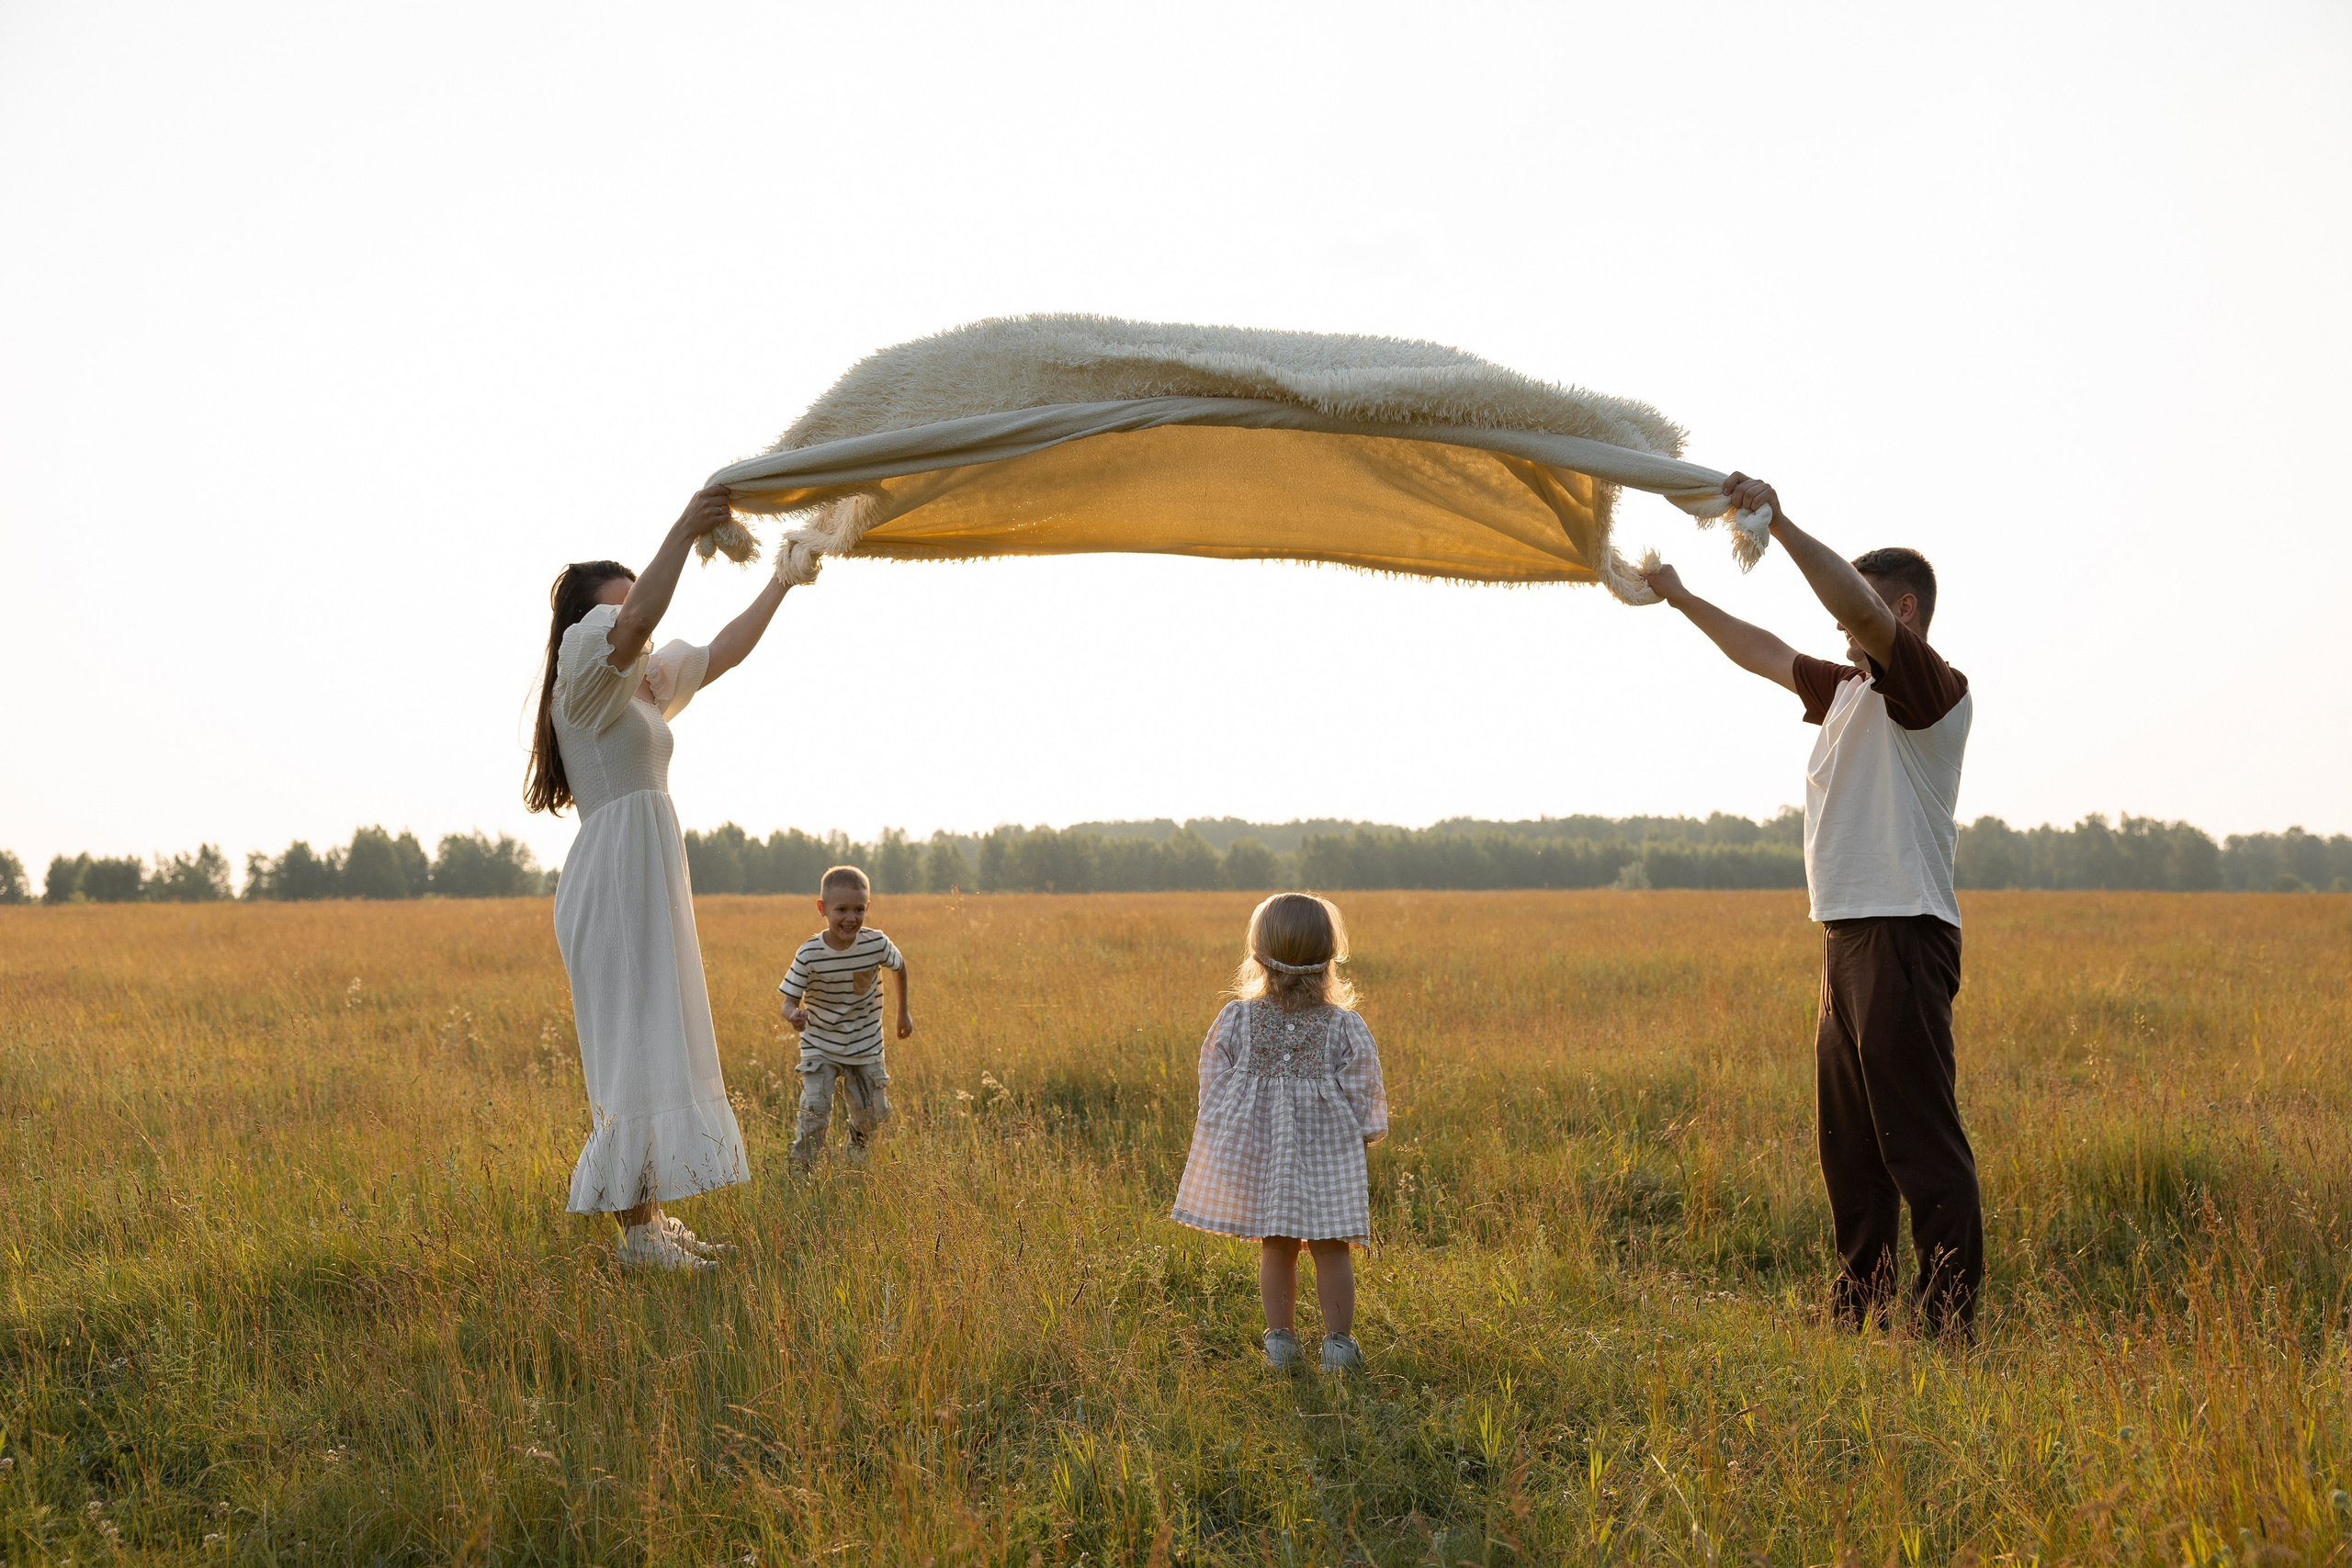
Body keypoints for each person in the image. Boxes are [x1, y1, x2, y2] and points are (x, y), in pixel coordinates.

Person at [1644, 472, 1981, 1337]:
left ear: (1903, 612)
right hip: (1846, 936)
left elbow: (1859, 614)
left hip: (1902, 931)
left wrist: (1780, 524)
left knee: (1920, 1146)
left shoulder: (1929, 691)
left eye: (1860, 611)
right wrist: (1679, 596)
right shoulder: (1849, 693)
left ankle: (1946, 1333)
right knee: (1852, 1147)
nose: (1843, 625)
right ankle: (1860, 1315)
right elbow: (1759, 649)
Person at [526, 483, 796, 1271]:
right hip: (612, 871)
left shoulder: (642, 683)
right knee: (632, 1039)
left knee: (656, 1029)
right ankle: (636, 1233)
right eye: (616, 612)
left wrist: (785, 574)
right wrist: (685, 524)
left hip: (646, 867)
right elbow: (638, 619)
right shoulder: (586, 672)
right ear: (587, 623)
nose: (631, 623)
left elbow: (722, 647)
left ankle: (649, 1218)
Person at [1170, 894, 1388, 1372]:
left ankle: (1281, 1345)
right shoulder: (1343, 1026)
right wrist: (1366, 1134)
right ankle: (1337, 1347)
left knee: (1278, 1245)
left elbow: (1214, 1081)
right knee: (1333, 1247)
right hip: (1329, 1153)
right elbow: (1362, 1086)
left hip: (1266, 1154)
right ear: (1329, 956)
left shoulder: (1238, 1020)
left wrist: (1225, 1130)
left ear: (1257, 953)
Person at [779, 865, 913, 1171]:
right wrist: (793, 1016)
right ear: (822, 908)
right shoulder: (809, 954)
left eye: (858, 909)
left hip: (865, 1043)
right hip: (820, 1043)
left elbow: (900, 966)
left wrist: (902, 1012)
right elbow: (788, 1001)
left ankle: (856, 1150)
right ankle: (801, 1172)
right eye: (841, 909)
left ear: (867, 907)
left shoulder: (875, 943)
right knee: (814, 1111)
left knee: (874, 1113)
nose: (850, 918)